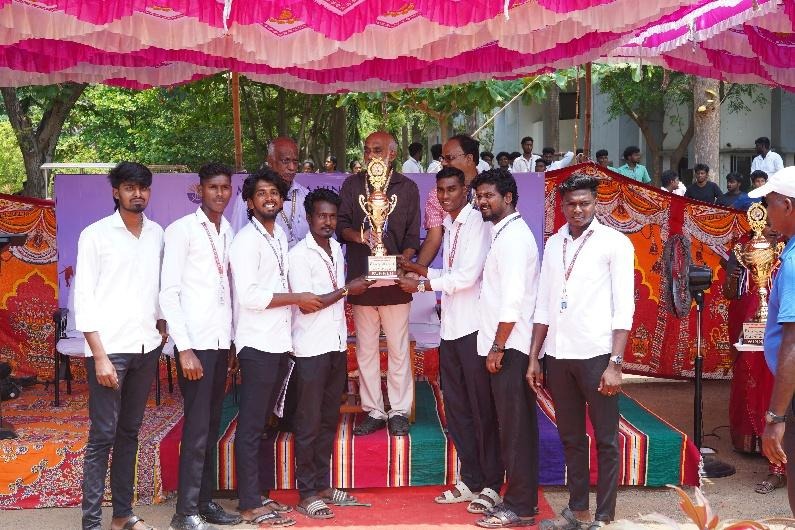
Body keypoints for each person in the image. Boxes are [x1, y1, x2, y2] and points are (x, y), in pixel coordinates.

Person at [529, 173, 635, 530]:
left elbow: (624, 308)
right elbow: (543, 304)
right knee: (571, 438)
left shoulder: (615, 243)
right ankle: (578, 512)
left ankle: (604, 518)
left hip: (597, 356)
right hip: (559, 356)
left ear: (596, 203)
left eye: (585, 203)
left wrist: (615, 364)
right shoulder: (554, 243)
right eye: (572, 204)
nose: (578, 210)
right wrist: (534, 357)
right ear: (562, 206)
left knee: (606, 440)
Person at [396, 167, 503, 514]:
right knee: (457, 410)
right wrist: (416, 268)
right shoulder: (451, 224)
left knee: (481, 409)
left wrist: (421, 285)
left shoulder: (477, 223)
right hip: (451, 330)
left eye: (452, 189)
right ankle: (471, 479)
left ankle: (492, 484)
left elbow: (467, 277)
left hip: (474, 330)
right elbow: (450, 274)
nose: (445, 196)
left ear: (465, 190)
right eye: (440, 190)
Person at [74, 162, 167, 530]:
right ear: (116, 192)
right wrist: (99, 356)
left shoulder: (157, 234)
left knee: (130, 432)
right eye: (129, 187)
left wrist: (163, 324)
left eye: (143, 188)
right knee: (103, 435)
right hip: (109, 350)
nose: (137, 194)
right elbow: (84, 297)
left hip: (146, 346)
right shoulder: (95, 235)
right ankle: (91, 523)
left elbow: (160, 287)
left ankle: (123, 515)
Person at [229, 169, 323, 527]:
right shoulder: (244, 241)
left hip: (279, 342)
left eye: (274, 192)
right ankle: (249, 504)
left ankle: (261, 494)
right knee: (252, 426)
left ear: (282, 199)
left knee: (266, 424)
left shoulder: (279, 235)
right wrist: (297, 298)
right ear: (249, 201)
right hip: (257, 343)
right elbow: (250, 296)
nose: (269, 198)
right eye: (261, 193)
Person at [160, 163, 241, 530]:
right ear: (199, 189)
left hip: (220, 342)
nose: (220, 194)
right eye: (213, 187)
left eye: (225, 187)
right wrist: (184, 348)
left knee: (210, 424)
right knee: (195, 428)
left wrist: (232, 342)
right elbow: (169, 293)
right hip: (195, 345)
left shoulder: (228, 230)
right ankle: (185, 512)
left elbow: (228, 290)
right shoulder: (181, 231)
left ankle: (204, 502)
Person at [288, 188, 372, 519]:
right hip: (310, 349)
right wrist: (348, 289)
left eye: (332, 216)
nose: (327, 222)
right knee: (308, 421)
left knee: (327, 419)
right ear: (309, 218)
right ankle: (307, 492)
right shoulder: (299, 255)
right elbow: (307, 305)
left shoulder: (336, 248)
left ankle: (322, 485)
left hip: (335, 345)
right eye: (321, 216)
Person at [336, 131, 421, 437]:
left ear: (392, 154)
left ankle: (398, 410)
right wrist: (363, 237)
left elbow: (412, 235)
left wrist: (403, 261)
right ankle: (374, 410)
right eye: (367, 149)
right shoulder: (352, 184)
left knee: (398, 349)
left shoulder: (407, 187)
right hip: (363, 280)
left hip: (396, 282)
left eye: (377, 149)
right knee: (366, 351)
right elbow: (341, 226)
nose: (370, 154)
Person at [469, 168, 539, 528]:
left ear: (508, 197)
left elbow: (512, 301)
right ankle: (518, 500)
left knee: (517, 430)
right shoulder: (503, 234)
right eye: (479, 196)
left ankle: (521, 507)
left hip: (511, 348)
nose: (482, 202)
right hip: (505, 345)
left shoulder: (513, 239)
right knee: (511, 427)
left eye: (489, 196)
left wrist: (497, 347)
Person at [723, 220, 786, 493]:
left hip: (783, 332)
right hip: (754, 329)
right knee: (756, 386)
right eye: (768, 222)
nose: (773, 229)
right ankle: (760, 449)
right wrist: (736, 272)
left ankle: (779, 465)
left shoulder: (787, 253)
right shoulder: (744, 249)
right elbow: (729, 291)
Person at [751, 166, 795, 514]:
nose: (766, 212)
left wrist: (776, 417)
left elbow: (793, 345)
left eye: (770, 203)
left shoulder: (793, 263)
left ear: (788, 206)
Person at [417, 134, 482, 267]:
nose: (443, 163)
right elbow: (433, 238)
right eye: (443, 158)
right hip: (454, 269)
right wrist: (415, 271)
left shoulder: (494, 188)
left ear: (469, 158)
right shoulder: (438, 194)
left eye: (449, 158)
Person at [231, 138, 309, 247]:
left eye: (295, 162)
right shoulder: (249, 198)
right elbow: (236, 239)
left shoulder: (306, 196)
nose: (292, 167)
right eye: (285, 161)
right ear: (270, 161)